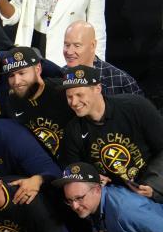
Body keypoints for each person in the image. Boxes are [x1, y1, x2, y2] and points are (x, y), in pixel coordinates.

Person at [58, 66, 163, 201]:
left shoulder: (135, 106)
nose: (74, 102)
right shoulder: (73, 130)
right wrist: (91, 178)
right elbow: (72, 172)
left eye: (79, 95)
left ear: (97, 88)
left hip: (155, 187)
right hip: (118, 199)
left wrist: (153, 185)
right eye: (69, 97)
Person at [2, 46, 72, 160]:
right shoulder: (12, 101)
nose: (17, 81)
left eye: (22, 73)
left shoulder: (64, 91)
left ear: (38, 69)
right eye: (11, 75)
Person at [61, 20, 143, 96]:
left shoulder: (121, 81)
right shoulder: (59, 76)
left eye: (77, 46)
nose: (69, 52)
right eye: (67, 45)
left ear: (92, 46)